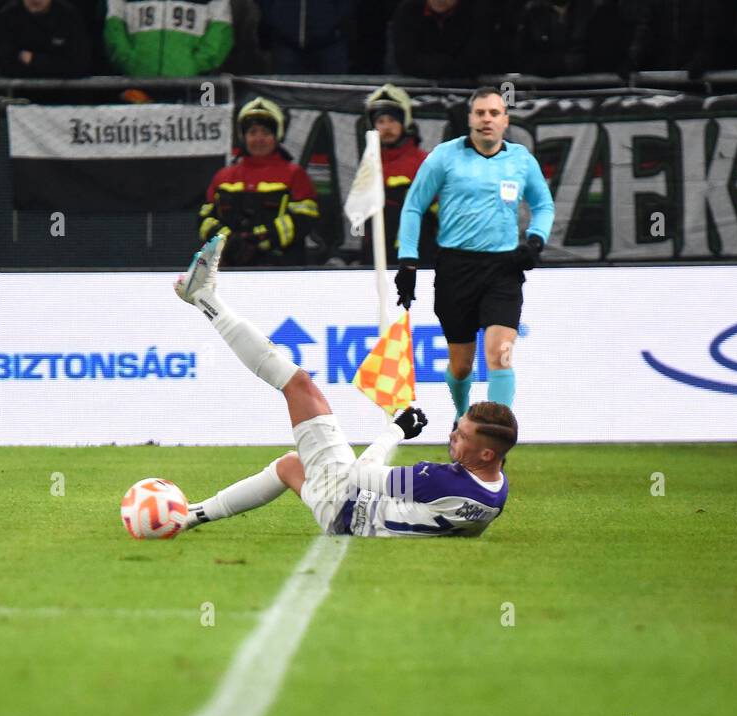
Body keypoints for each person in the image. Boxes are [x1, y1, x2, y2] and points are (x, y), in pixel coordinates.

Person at [173, 233, 515, 538]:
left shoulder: (442, 481)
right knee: (290, 466)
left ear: (487, 453)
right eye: (459, 427)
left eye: (463, 435)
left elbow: (359, 475)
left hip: (345, 501)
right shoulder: (496, 493)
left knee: (298, 384)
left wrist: (397, 430)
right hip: (350, 517)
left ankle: (203, 296)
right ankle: (189, 516)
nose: (453, 434)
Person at [395, 86, 554, 421]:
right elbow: (413, 207)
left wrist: (535, 241)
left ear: (505, 120)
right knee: (462, 364)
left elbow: (544, 205)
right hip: (456, 267)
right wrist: (408, 262)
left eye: (494, 113)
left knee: (500, 354)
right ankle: (462, 417)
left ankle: (498, 435)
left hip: (504, 268)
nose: (487, 119)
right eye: (480, 113)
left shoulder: (521, 159)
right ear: (469, 119)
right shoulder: (444, 156)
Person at [197, 96, 320, 267]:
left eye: (266, 132)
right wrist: (228, 241)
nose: (259, 139)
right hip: (230, 268)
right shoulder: (223, 177)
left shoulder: (294, 174)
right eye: (252, 132)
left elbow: (305, 219)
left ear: (276, 136)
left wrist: (261, 240)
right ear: (243, 137)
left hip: (282, 269)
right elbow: (204, 219)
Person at [360, 83, 436, 266]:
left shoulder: (425, 162)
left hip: (419, 257)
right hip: (376, 259)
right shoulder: (369, 165)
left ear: (404, 122)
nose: (386, 127)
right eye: (381, 121)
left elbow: (443, 211)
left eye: (392, 120)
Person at [103, 0, 232, 76]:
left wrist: (195, 66)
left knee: (201, 116)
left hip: (197, 86)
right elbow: (113, 25)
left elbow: (220, 31)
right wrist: (128, 62)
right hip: (135, 85)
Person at [0, 0, 90, 76]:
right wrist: (54, 63)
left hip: (65, 93)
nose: (35, 0)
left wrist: (34, 59)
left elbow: (78, 65)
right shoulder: (8, 14)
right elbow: (6, 66)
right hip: (20, 94)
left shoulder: (69, 14)